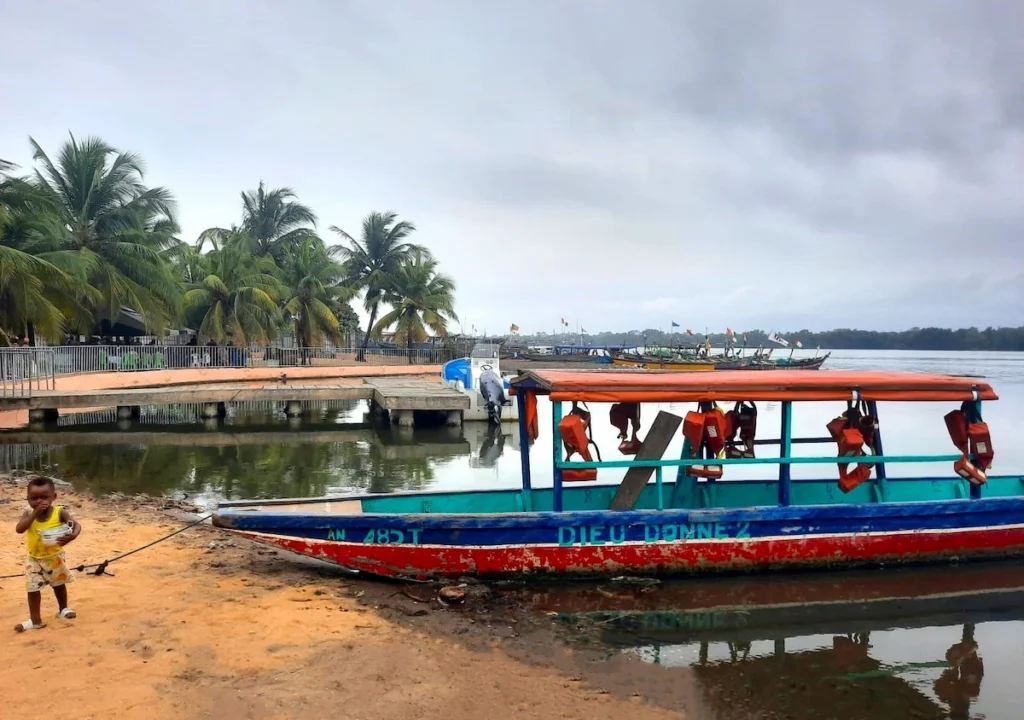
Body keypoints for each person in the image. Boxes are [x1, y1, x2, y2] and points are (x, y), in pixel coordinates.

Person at [13, 476, 82, 632]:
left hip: (54, 557)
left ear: (54, 497)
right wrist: (35, 512)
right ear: (28, 499)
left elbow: (75, 524)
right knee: (32, 588)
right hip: (34, 559)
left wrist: (73, 535)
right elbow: (19, 529)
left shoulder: (59, 512)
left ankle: (63, 609)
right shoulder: (29, 513)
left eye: (44, 497)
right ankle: (35, 620)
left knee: (59, 584)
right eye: (34, 498)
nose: (39, 501)